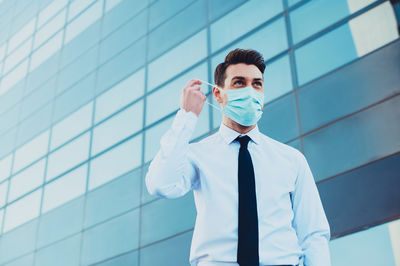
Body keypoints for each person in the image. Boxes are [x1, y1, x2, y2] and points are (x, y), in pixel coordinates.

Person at [145, 48, 331, 266]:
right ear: (217, 94)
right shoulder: (197, 154)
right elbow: (160, 184)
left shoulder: (291, 159)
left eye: (257, 84)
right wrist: (186, 117)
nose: (250, 91)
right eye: (239, 82)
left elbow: (313, 233)